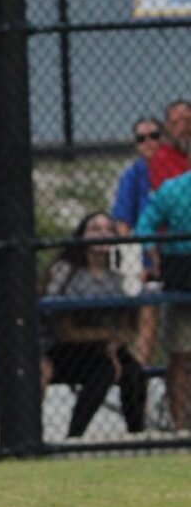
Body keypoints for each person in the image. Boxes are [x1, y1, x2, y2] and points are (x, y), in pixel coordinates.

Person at [42, 212, 147, 438]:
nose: (102, 234)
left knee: (134, 371)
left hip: (106, 347)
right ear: (82, 236)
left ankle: (137, 435)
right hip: (67, 350)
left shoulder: (118, 276)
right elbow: (64, 331)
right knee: (104, 369)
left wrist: (114, 345)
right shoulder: (65, 271)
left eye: (108, 229)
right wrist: (106, 336)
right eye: (95, 229)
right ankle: (75, 436)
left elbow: (126, 325)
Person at [136, 170, 191, 432]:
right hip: (182, 280)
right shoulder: (172, 189)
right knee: (180, 356)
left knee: (180, 358)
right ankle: (181, 427)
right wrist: (152, 255)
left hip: (181, 277)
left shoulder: (170, 187)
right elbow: (144, 226)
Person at [111, 116, 163, 364]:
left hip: (176, 253)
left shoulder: (176, 169)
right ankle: (141, 373)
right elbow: (122, 223)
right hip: (145, 259)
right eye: (142, 139)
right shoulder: (133, 175)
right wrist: (134, 263)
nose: (149, 142)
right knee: (147, 315)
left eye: (154, 136)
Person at [149, 99, 191, 191]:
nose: (183, 128)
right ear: (167, 126)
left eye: (187, 121)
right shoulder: (162, 156)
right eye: (176, 123)